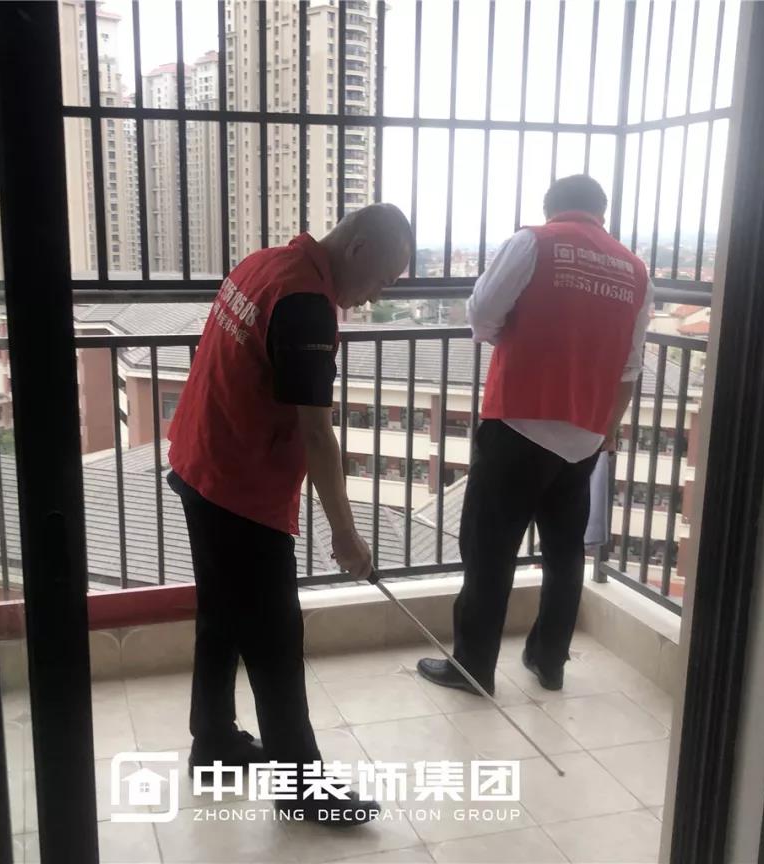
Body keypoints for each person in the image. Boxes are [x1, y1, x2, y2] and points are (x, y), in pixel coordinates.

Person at [166, 203, 412, 824]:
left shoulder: (266, 264)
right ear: (357, 248)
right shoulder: (305, 302)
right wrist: (347, 535)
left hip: (201, 462)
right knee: (275, 640)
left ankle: (213, 740)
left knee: (222, 615)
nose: (375, 296)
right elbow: (317, 433)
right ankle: (301, 787)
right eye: (381, 280)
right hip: (238, 488)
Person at [417, 175, 653, 694]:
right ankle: (550, 662)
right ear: (602, 212)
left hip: (519, 421)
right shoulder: (635, 271)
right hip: (586, 434)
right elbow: (631, 366)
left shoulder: (534, 242)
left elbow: (481, 314)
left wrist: (504, 333)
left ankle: (474, 667)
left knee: (489, 549)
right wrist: (607, 430)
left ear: (551, 209)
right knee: (565, 553)